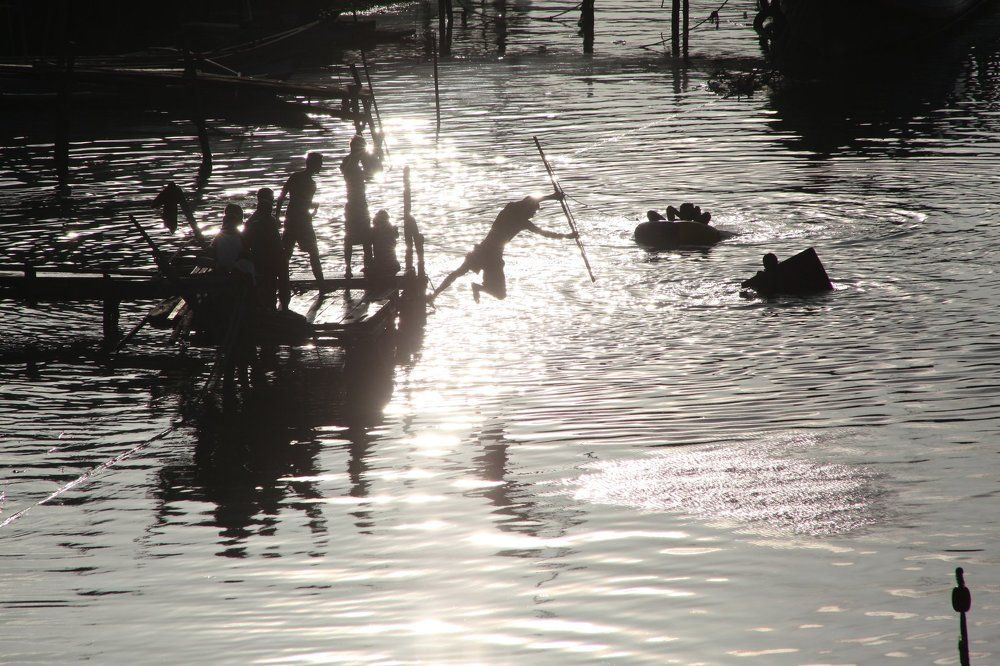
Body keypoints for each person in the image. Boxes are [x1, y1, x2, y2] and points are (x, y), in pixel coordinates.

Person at [429, 193, 577, 304]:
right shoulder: (514, 214)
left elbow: (543, 228)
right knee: (459, 273)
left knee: (498, 293)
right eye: (533, 212)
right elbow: (537, 217)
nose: (533, 215)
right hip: (488, 255)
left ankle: (472, 288)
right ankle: (435, 296)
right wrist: (566, 235)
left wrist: (553, 197)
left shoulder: (517, 215)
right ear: (527, 208)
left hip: (490, 256)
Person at [276, 151, 325, 283]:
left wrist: (277, 216)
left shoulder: (295, 177)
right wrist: (313, 208)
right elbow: (303, 203)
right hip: (303, 222)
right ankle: (321, 284)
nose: (321, 166)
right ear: (313, 164)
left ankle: (280, 281)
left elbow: (283, 197)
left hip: (291, 219)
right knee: (313, 252)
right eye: (320, 163)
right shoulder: (311, 184)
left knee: (286, 253)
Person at [340, 135, 382, 278]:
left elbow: (374, 173)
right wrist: (362, 156)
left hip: (360, 204)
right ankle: (348, 267)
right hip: (352, 204)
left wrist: (377, 150)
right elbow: (348, 172)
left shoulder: (359, 161)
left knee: (366, 237)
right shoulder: (348, 162)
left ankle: (368, 265)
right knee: (350, 237)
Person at [243, 187, 288, 311]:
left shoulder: (256, 220)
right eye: (272, 199)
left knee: (273, 283)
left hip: (267, 257)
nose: (273, 203)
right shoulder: (261, 221)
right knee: (277, 282)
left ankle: (277, 306)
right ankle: (280, 307)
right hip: (270, 258)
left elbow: (246, 242)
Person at [371, 209, 401, 277]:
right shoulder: (391, 229)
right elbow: (397, 236)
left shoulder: (374, 230)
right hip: (392, 264)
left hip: (379, 264)